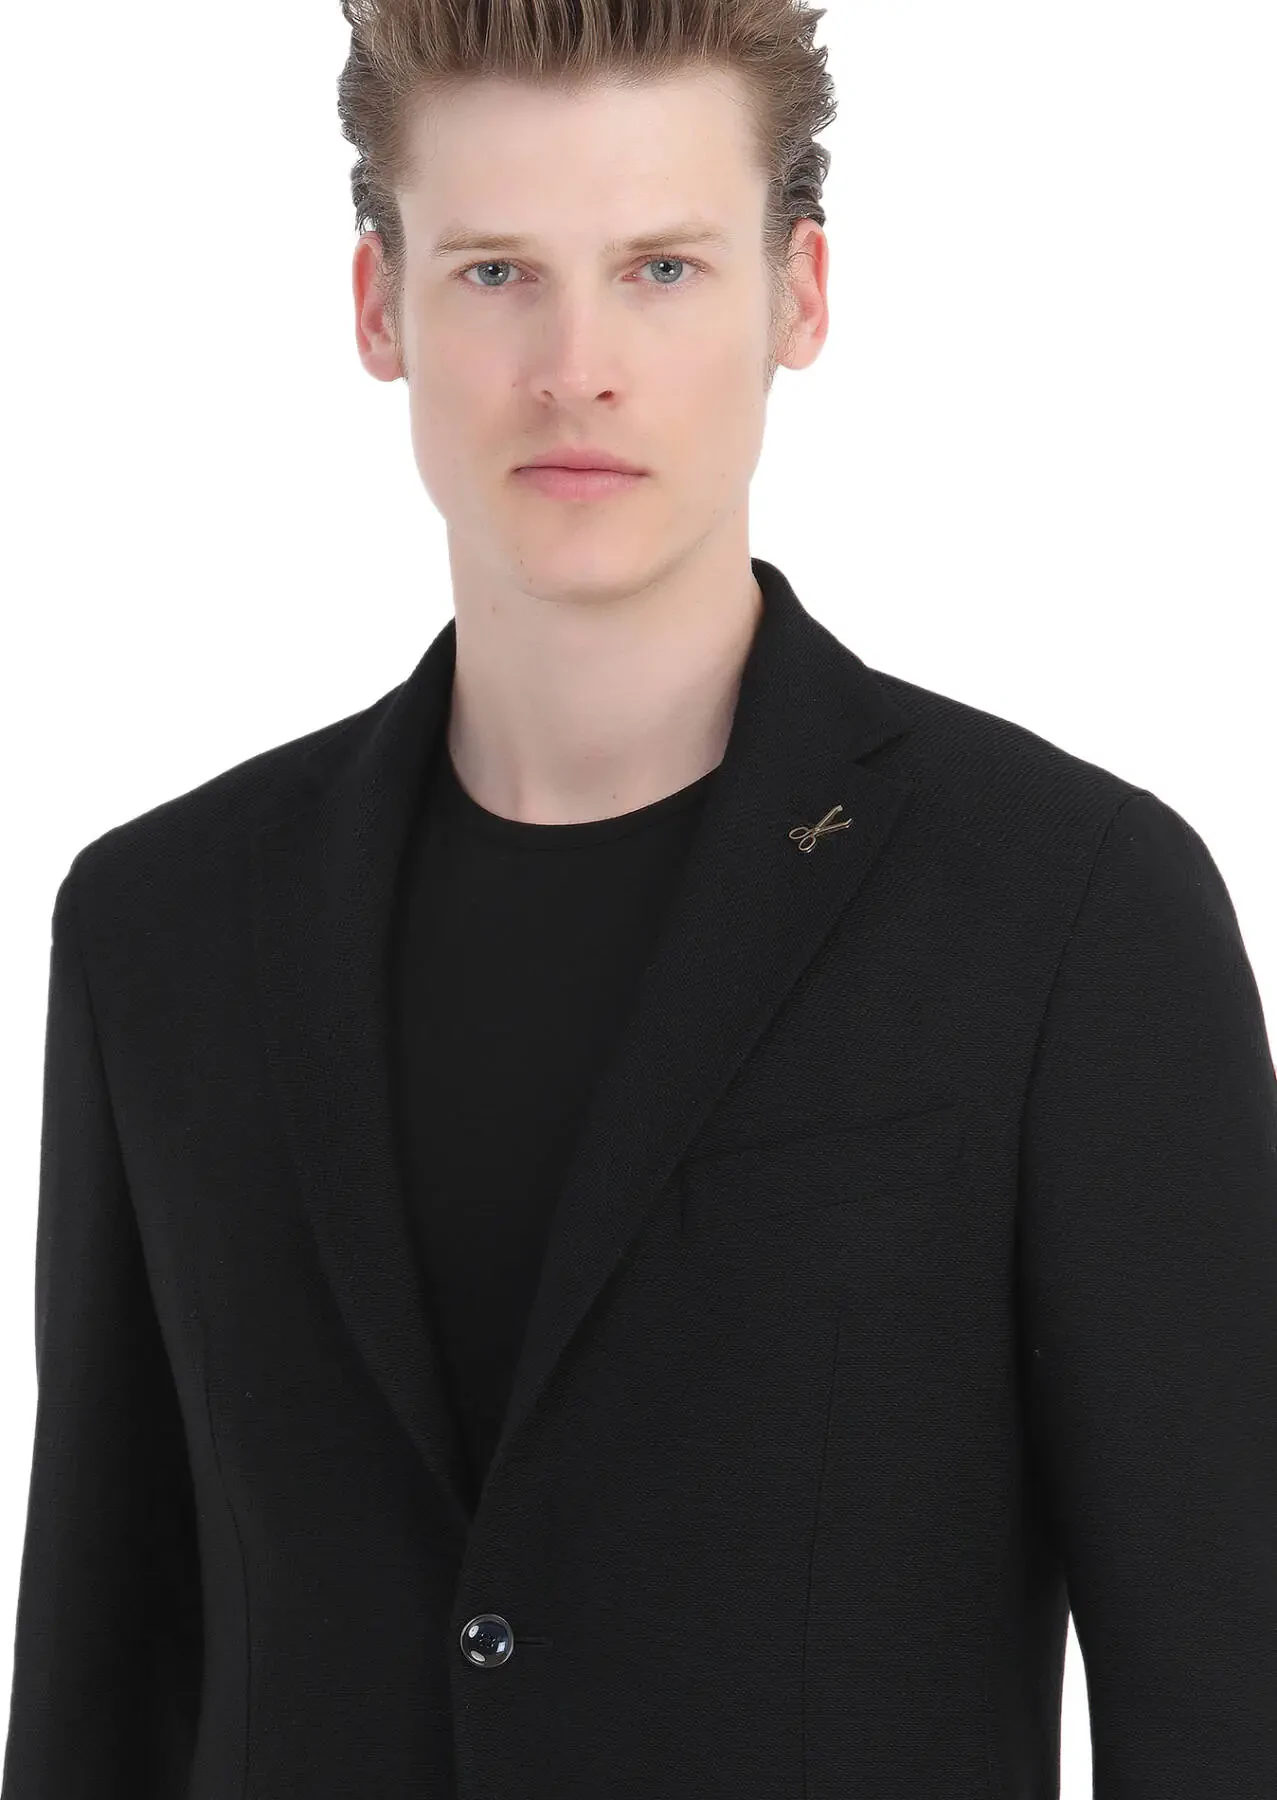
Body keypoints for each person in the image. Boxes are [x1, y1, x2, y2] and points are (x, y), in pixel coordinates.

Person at [3, 2, 1274, 1796]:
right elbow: (98, 1681)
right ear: (379, 306)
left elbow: (1225, 1702)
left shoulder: (1067, 911)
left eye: (662, 270)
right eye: (497, 272)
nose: (575, 367)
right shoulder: (161, 930)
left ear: (798, 297)